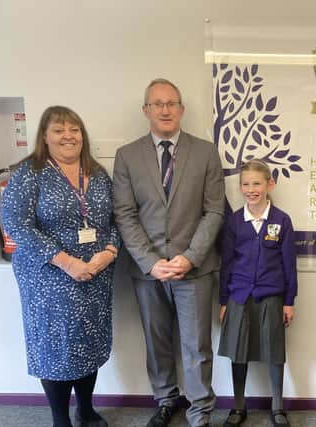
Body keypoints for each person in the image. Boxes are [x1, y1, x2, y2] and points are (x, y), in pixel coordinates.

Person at [113, 78, 225, 427]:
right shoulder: (127, 156)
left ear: (182, 110)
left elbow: (215, 211)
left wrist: (190, 256)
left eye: (171, 103)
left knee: (197, 347)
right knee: (157, 341)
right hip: (148, 272)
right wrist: (151, 262)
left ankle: (199, 410)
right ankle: (165, 398)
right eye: (157, 103)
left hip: (194, 268)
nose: (165, 110)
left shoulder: (205, 151)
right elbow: (125, 214)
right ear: (146, 110)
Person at [1, 106, 119, 427]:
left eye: (74, 129)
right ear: (45, 136)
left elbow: (115, 219)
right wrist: (66, 262)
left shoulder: (96, 173)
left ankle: (85, 409)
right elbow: (15, 223)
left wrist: (107, 253)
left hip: (94, 274)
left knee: (88, 342)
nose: (68, 136)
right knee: (56, 349)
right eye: (59, 130)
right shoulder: (29, 172)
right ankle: (60, 419)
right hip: (48, 278)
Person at [218, 159, 298, 427]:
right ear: (240, 187)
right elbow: (226, 264)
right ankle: (238, 406)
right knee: (237, 351)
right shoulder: (234, 222)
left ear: (269, 184)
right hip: (238, 296)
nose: (251, 189)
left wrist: (289, 301)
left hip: (271, 297)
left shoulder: (281, 221)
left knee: (274, 351)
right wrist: (223, 301)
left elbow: (289, 265)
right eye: (246, 184)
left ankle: (278, 406)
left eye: (257, 183)